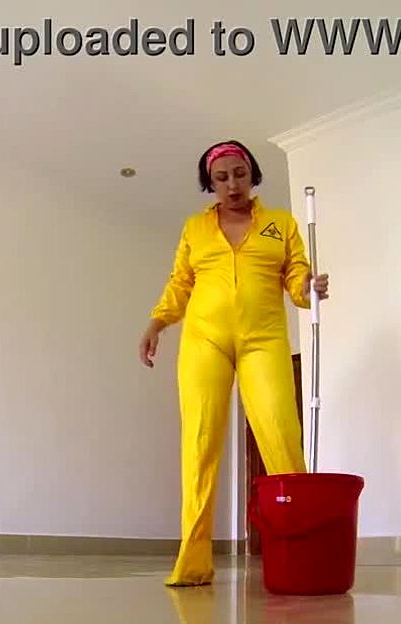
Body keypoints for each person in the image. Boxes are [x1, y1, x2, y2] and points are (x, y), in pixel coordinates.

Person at [140, 140, 329, 587]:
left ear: (252, 174)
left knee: (281, 435)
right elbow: (180, 282)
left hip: (264, 339)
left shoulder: (280, 224)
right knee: (200, 442)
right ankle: (193, 561)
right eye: (221, 177)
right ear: (211, 183)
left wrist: (309, 288)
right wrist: (157, 322)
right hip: (204, 340)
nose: (232, 185)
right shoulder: (195, 228)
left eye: (239, 174)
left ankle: (301, 553)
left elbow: (296, 277)